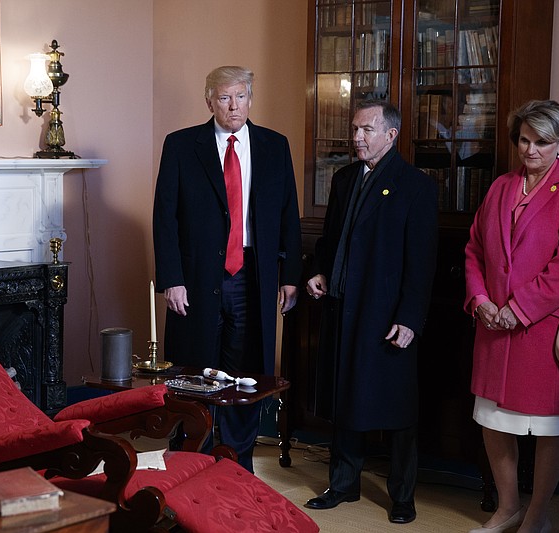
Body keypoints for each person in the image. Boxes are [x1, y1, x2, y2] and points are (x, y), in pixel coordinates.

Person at [464, 100, 559, 533]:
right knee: (493, 420)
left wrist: (519, 308)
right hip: (493, 327)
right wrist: (481, 299)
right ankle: (507, 507)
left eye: (542, 142)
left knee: (548, 427)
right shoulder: (501, 187)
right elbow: (473, 249)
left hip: (545, 331)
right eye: (524, 140)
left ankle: (537, 515)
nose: (530, 149)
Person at [152, 65, 302, 473]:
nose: (233, 106)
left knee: (244, 373)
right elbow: (165, 216)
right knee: (195, 365)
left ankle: (237, 461)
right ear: (209, 101)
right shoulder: (182, 145)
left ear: (251, 99)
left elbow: (289, 213)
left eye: (240, 97)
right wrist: (172, 280)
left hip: (252, 275)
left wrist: (290, 276)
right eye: (223, 98)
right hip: (197, 277)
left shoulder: (274, 145)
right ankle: (191, 457)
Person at [305, 99, 438, 525]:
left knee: (397, 407)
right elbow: (329, 240)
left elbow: (422, 261)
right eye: (355, 129)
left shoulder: (415, 185)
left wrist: (409, 318)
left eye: (366, 130)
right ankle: (343, 485)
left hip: (386, 315)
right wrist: (317, 271)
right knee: (345, 397)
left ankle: (403, 496)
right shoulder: (344, 179)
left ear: (390, 135)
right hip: (343, 306)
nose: (357, 137)